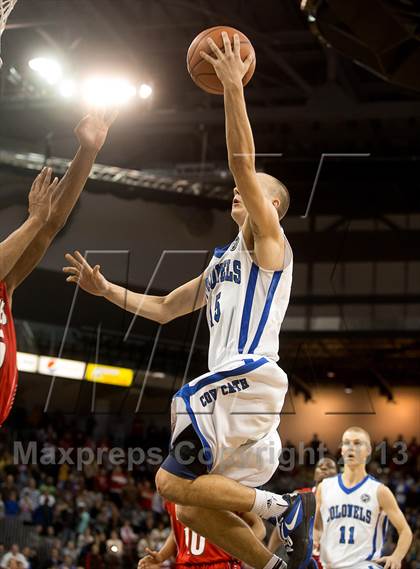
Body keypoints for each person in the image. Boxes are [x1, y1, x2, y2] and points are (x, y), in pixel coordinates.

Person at [63, 32, 314, 569]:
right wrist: (106, 290)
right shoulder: (223, 261)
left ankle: (286, 508)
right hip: (241, 404)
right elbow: (164, 308)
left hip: (250, 377)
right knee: (189, 502)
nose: (237, 193)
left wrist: (231, 89)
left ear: (270, 205)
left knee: (169, 471)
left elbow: (244, 168)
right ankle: (271, 564)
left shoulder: (268, 244)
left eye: (252, 191)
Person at [0, 107, 117, 427]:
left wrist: (87, 152)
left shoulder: (4, 288)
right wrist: (34, 219)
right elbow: (41, 221)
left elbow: (49, 226)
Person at [315, 427, 413, 569]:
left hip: (364, 565)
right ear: (341, 450)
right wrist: (315, 538)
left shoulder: (379, 491)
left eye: (357, 443)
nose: (351, 447)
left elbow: (405, 531)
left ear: (368, 451)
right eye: (346, 443)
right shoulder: (324, 487)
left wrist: (397, 557)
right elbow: (317, 526)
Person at [138, 501, 266, 569]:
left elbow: (258, 525)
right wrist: (161, 556)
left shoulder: (224, 489)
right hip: (186, 564)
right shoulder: (173, 492)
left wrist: (241, 547)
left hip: (220, 562)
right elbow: (177, 531)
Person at [268, 458, 338, 564]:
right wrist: (268, 555)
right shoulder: (300, 496)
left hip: (334, 557)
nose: (324, 468)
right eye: (320, 466)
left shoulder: (344, 501)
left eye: (330, 466)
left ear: (338, 475)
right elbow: (281, 528)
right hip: (305, 556)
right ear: (314, 474)